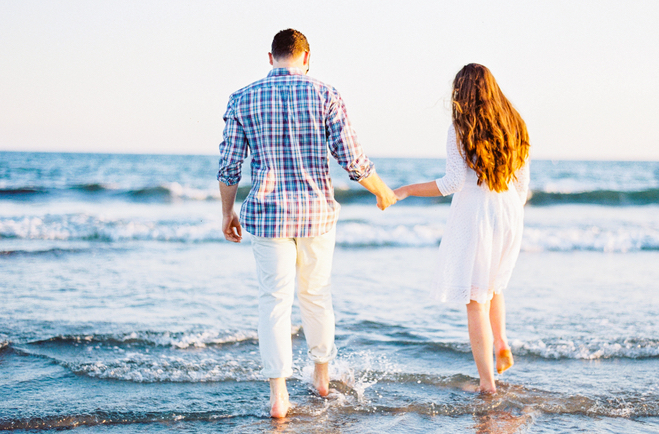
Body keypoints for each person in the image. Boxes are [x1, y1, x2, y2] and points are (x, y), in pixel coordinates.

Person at [217, 29, 398, 418]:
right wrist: (381, 190)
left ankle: (279, 396)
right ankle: (320, 376)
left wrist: (226, 212)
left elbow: (229, 165)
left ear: (271, 58)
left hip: (266, 215)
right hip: (316, 214)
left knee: (274, 301)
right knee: (316, 295)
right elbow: (351, 156)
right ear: (306, 56)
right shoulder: (326, 94)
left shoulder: (242, 98)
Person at [394, 63, 530, 393]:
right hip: (510, 211)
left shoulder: (461, 127)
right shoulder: (516, 124)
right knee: (494, 286)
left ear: (462, 92)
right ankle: (501, 342)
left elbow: (452, 183)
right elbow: (522, 188)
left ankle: (487, 384)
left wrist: (407, 189)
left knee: (475, 300)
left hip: (477, 213)